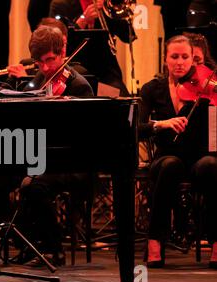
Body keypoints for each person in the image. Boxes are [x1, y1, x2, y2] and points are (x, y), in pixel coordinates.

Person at [11, 25, 94, 266]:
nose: (45, 68)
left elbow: (85, 138)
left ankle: (54, 249)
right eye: (40, 63)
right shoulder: (39, 79)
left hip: (74, 162)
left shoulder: (79, 87)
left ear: (63, 52)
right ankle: (27, 244)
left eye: (50, 60)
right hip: (45, 159)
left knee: (34, 187)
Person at [139, 35, 217, 268]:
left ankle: (216, 241)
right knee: (171, 164)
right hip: (166, 158)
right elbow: (136, 129)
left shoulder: (206, 88)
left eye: (186, 57)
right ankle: (155, 240)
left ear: (194, 61)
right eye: (175, 57)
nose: (180, 62)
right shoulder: (152, 89)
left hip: (200, 157)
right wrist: (161, 124)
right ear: (165, 60)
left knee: (211, 166)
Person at [49, 0, 133, 96]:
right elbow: (55, 42)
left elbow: (128, 37)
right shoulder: (60, 5)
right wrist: (82, 20)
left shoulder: (106, 5)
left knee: (121, 100)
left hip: (105, 72)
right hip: (74, 70)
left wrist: (109, 12)